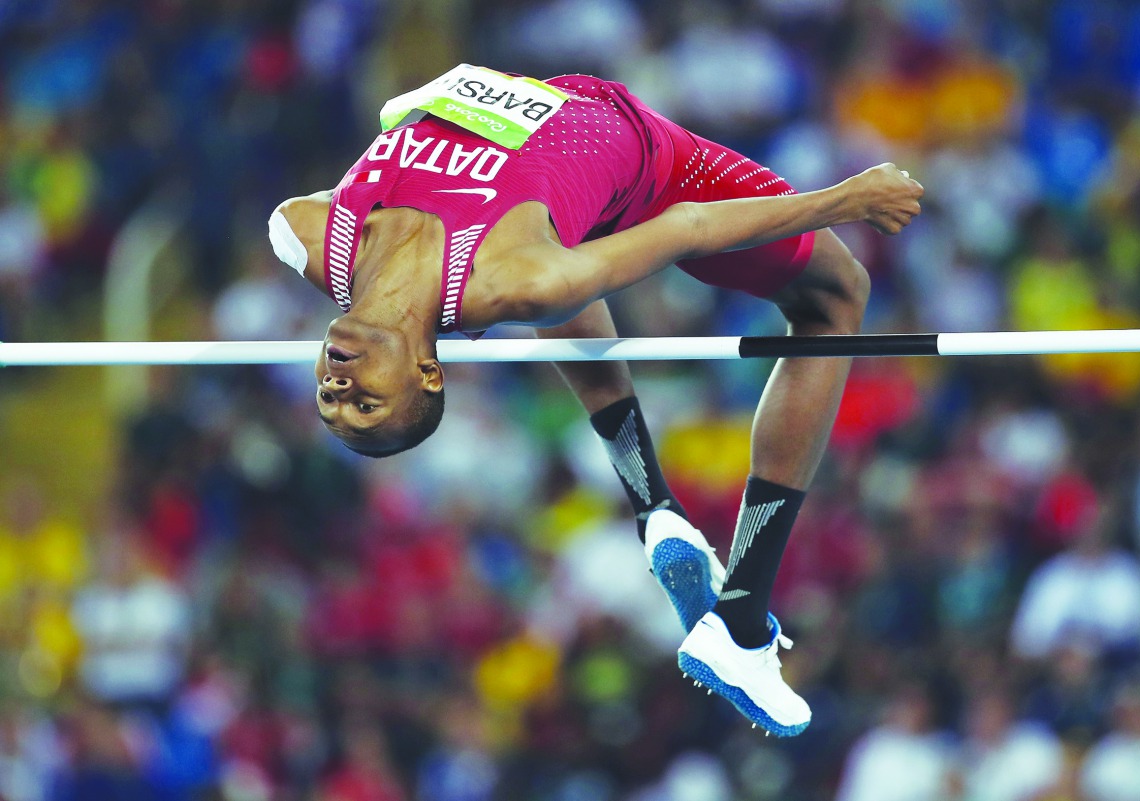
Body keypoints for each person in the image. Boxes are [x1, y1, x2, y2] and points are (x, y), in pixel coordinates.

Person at [268, 64, 923, 737]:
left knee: (551, 267)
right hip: (650, 162)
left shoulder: (305, 231)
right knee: (837, 293)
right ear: (428, 371)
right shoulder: (515, 277)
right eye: (365, 405)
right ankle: (741, 620)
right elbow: (690, 225)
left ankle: (656, 510)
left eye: (330, 397)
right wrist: (845, 198)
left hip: (545, 108)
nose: (339, 390)